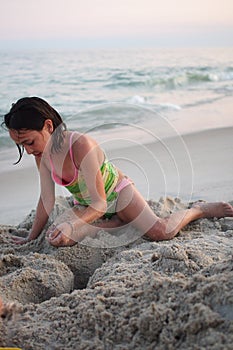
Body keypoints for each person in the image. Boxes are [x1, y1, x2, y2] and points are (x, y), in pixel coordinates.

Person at [2, 96, 233, 247]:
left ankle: (199, 210)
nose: (28, 150)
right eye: (21, 145)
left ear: (48, 126)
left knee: (162, 232)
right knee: (64, 239)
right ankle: (122, 222)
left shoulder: (82, 146)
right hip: (89, 204)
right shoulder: (42, 154)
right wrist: (30, 237)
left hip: (116, 194)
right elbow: (47, 198)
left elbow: (100, 203)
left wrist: (74, 225)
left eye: (29, 142)